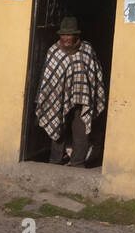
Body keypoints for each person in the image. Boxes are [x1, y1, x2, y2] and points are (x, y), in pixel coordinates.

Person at [35, 16, 107, 166]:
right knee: (57, 125)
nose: (67, 38)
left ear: (76, 35)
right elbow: (47, 77)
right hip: (58, 97)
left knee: (81, 131)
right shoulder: (54, 52)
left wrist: (94, 94)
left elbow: (96, 74)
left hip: (82, 98)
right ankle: (55, 160)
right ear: (59, 35)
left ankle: (77, 162)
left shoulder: (86, 50)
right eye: (64, 35)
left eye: (70, 34)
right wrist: (42, 97)